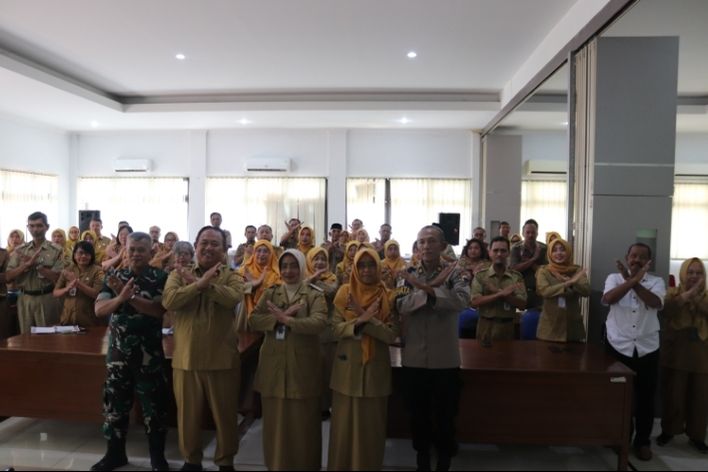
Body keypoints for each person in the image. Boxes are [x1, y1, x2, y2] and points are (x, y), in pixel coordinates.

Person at [163, 226, 245, 471]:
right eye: (204, 243)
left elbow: (232, 298)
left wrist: (202, 285)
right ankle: (191, 460)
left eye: (215, 244)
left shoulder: (232, 276)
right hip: (186, 359)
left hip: (222, 359)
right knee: (187, 417)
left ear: (224, 249)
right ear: (196, 246)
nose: (208, 248)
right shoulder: (178, 273)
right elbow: (169, 301)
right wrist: (198, 285)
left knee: (226, 416)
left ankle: (225, 461)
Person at [92, 232, 169, 471]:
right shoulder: (115, 277)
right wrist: (120, 299)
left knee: (154, 408)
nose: (136, 254)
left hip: (148, 356)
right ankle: (115, 454)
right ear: (125, 250)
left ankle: (157, 458)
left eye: (141, 250)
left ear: (151, 252)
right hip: (118, 355)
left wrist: (130, 297)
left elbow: (159, 310)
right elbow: (99, 310)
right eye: (132, 249)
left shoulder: (161, 277)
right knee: (115, 406)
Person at [396, 225, 470, 471]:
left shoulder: (455, 273)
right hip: (415, 357)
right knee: (418, 413)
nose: (426, 246)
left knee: (445, 414)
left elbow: (462, 301)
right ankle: (422, 457)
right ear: (417, 247)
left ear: (442, 246)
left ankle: (444, 457)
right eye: (422, 242)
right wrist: (435, 290)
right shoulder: (407, 273)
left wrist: (425, 289)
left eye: (431, 241)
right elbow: (400, 305)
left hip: (445, 358)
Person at [248, 249, 327, 471]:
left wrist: (288, 320)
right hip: (273, 367)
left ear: (302, 267)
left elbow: (320, 322)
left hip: (302, 370)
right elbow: (253, 319)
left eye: (293, 266)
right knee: (275, 425)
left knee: (304, 425)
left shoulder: (314, 294)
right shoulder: (271, 292)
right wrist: (277, 320)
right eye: (284, 266)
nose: (288, 270)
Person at [328, 248, 398, 470]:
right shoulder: (344, 293)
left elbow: (390, 335)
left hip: (374, 370)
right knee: (343, 429)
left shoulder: (388, 296)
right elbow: (334, 330)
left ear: (378, 267)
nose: (366, 270)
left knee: (371, 430)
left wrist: (367, 319)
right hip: (347, 370)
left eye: (371, 265)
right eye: (362, 265)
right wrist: (360, 321)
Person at [601, 243, 665, 462]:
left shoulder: (657, 282)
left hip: (647, 347)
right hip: (618, 345)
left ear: (649, 262)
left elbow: (655, 302)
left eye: (642, 257)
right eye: (633, 256)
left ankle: (643, 442)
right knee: (618, 397)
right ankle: (621, 438)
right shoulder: (613, 278)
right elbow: (609, 299)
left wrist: (632, 281)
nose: (636, 260)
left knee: (646, 398)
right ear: (627, 257)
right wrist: (630, 280)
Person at [657, 257, 708, 454]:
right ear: (683, 274)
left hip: (702, 355)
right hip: (676, 353)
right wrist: (687, 295)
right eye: (690, 272)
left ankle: (697, 436)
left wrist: (695, 297)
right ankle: (669, 431)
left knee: (700, 397)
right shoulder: (673, 293)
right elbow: (666, 311)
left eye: (699, 273)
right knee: (673, 395)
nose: (694, 276)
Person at [5, 212, 64, 333]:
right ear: (27, 227)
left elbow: (58, 277)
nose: (35, 229)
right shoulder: (20, 250)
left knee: (49, 338)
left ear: (47, 227)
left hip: (47, 298)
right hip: (25, 298)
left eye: (39, 225)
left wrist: (36, 266)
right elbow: (8, 276)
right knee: (26, 337)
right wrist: (24, 266)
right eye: (31, 226)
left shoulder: (56, 250)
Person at [304, 246, 339, 419]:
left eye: (323, 259)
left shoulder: (332, 278)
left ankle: (325, 407)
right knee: (309, 370)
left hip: (326, 333)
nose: (319, 262)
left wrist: (314, 282)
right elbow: (295, 290)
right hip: (306, 331)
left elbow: (332, 292)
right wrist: (309, 280)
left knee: (326, 371)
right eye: (316, 259)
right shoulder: (302, 277)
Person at [470, 236, 526, 342]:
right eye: (495, 250)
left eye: (503, 251)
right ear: (489, 252)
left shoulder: (516, 277)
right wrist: (500, 294)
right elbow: (474, 302)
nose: (499, 254)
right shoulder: (481, 276)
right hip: (485, 325)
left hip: (508, 327)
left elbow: (522, 304)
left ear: (508, 253)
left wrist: (497, 291)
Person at [535, 237, 590, 342]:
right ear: (550, 253)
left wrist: (573, 284)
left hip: (572, 328)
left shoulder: (577, 270)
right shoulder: (544, 271)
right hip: (549, 329)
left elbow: (586, 291)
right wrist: (566, 284)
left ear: (568, 251)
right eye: (555, 250)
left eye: (562, 249)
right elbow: (544, 291)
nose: (559, 253)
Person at [53, 241, 105, 328]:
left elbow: (97, 294)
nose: (83, 256)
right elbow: (55, 293)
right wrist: (66, 289)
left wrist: (77, 283)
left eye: (87, 254)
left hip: (89, 320)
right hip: (67, 318)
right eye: (80, 253)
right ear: (74, 255)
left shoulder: (98, 271)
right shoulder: (67, 270)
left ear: (91, 256)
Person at [237, 240, 280, 329]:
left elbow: (278, 295)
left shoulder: (277, 273)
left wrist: (259, 284)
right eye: (258, 251)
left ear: (271, 254)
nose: (261, 254)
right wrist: (253, 285)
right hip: (245, 318)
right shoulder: (244, 270)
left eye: (265, 251)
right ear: (254, 253)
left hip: (267, 317)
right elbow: (235, 289)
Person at [510, 219, 547, 309]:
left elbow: (546, 271)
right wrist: (534, 258)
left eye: (533, 232)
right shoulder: (516, 248)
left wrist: (527, 263)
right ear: (523, 233)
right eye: (528, 232)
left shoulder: (544, 248)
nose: (530, 235)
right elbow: (514, 269)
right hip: (521, 291)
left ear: (537, 233)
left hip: (539, 292)